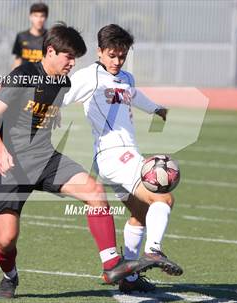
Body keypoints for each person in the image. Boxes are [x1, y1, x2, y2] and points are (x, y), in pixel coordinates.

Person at [0, 24, 151, 299]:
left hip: (44, 158)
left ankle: (112, 263)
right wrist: (0, 147)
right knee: (6, 241)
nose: (72, 62)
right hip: (11, 166)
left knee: (94, 190)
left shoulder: (63, 82)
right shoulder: (24, 74)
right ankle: (9, 275)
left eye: (75, 57)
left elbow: (34, 107)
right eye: (68, 56)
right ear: (50, 51)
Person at [62, 24, 183, 293]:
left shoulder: (126, 77)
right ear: (100, 52)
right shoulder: (88, 76)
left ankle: (128, 278)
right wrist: (45, 111)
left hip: (124, 156)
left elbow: (134, 95)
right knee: (163, 197)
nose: (117, 61)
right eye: (112, 55)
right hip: (114, 156)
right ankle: (153, 251)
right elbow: (61, 95)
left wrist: (156, 109)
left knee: (140, 213)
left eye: (122, 56)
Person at [11, 2, 48, 69]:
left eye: (42, 16)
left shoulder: (50, 37)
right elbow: (17, 60)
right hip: (24, 76)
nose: (39, 20)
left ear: (46, 18)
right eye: (36, 16)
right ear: (30, 17)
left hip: (42, 77)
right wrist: (13, 77)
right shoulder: (21, 36)